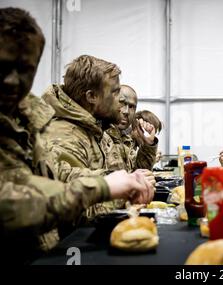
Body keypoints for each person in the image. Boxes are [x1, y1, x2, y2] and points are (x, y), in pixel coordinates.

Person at [0, 7, 152, 264]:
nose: (13, 81)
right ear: (92, 97)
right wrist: (109, 188)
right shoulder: (62, 133)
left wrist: (123, 179)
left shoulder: (26, 122)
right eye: (3, 66)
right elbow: (15, 202)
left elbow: (58, 176)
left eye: (26, 69)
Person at [41, 55, 155, 222]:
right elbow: (74, 210)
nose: (122, 104)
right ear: (91, 96)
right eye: (115, 93)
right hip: (73, 246)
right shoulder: (63, 137)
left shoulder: (97, 131)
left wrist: (132, 180)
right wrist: (127, 192)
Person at [102, 85, 159, 172]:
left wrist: (148, 145)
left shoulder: (126, 140)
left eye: (132, 107)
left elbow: (138, 176)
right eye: (121, 104)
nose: (126, 111)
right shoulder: (100, 136)